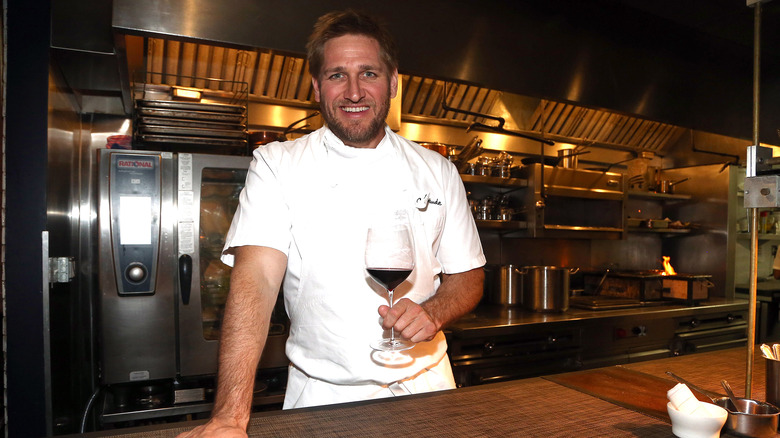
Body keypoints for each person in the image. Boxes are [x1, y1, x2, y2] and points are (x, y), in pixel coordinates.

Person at [179, 9, 485, 437]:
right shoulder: (277, 164)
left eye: (369, 74)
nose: (355, 91)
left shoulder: (437, 170)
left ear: (393, 83)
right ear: (316, 87)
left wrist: (434, 311)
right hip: (325, 401)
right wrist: (229, 417)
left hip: (428, 390)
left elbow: (467, 276)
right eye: (337, 75)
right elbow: (257, 280)